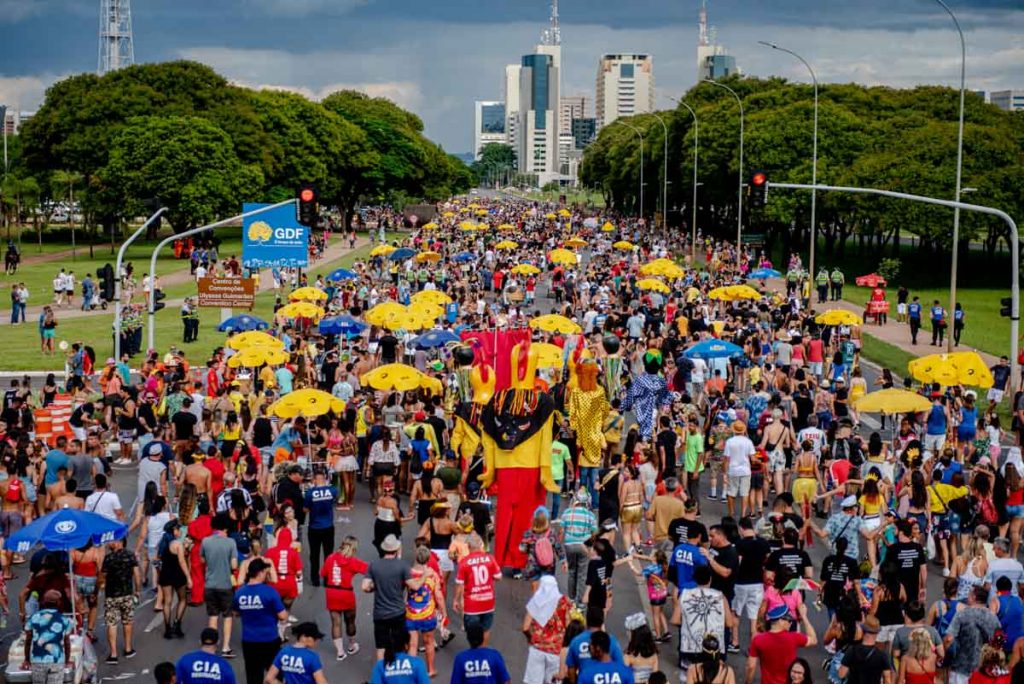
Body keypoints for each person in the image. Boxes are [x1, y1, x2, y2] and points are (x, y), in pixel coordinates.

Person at [233, 558, 288, 684]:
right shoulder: (270, 592)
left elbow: (236, 613)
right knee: (274, 674)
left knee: (253, 675)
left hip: (249, 641)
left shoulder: (240, 593)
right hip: (270, 639)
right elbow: (283, 616)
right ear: (260, 573)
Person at [363, 534, 414, 661]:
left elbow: (365, 587)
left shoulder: (374, 565)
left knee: (381, 646)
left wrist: (377, 586)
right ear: (396, 550)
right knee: (400, 644)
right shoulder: (403, 565)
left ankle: (381, 673)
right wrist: (425, 576)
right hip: (398, 612)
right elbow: (414, 586)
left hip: (380, 613)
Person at [320, 535, 368, 661]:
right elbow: (369, 569)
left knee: (336, 623)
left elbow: (322, 573)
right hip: (346, 594)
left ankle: (340, 652)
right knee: (350, 621)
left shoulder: (330, 558)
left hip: (331, 592)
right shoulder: (352, 561)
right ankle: (352, 645)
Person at [746, 603, 818, 684]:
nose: (791, 623)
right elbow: (814, 640)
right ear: (781, 621)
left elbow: (751, 667)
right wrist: (804, 616)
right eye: (789, 620)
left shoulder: (757, 640)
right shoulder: (794, 637)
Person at [945, 585, 1002, 684]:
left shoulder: (962, 614)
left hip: (960, 668)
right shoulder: (993, 618)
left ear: (974, 597)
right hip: (983, 671)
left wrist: (943, 655)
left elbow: (949, 639)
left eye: (969, 594)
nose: (967, 597)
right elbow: (1000, 642)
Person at [522, 575, 573, 684]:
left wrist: (530, 639)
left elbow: (525, 627)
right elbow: (569, 626)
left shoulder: (535, 601)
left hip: (537, 648)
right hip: (556, 650)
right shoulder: (564, 602)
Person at [452, 533, 501, 645]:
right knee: (486, 629)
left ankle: (474, 653)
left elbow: (459, 584)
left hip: (472, 603)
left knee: (472, 632)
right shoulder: (490, 558)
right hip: (488, 601)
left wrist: (455, 599)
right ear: (480, 544)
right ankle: (483, 651)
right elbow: (498, 577)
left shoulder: (464, 562)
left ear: (468, 546)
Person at [201, 514, 238, 658]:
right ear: (225, 528)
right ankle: (225, 647)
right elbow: (234, 565)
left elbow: (202, 559)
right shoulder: (230, 542)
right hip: (225, 585)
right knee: (227, 616)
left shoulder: (206, 541)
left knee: (213, 616)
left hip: (210, 584)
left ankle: (211, 646)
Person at [100, 536, 140, 665]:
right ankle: (128, 648)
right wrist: (137, 591)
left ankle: (113, 654)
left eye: (112, 541)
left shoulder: (108, 558)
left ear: (118, 542)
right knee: (127, 621)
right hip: (127, 594)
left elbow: (102, 577)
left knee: (112, 623)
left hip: (111, 596)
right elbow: (137, 575)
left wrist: (98, 588)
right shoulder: (130, 555)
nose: (109, 543)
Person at [22, 590, 73, 684]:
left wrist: (27, 659)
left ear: (43, 602)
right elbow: (67, 642)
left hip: (37, 661)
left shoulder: (34, 617)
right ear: (59, 603)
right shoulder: (65, 620)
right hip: (57, 661)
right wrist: (67, 660)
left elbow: (28, 640)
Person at [304, 467, 337, 587]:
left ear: (314, 480)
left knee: (314, 554)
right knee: (328, 554)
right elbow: (334, 501)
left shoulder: (310, 493)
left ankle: (315, 580)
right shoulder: (332, 490)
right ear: (325, 479)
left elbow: (306, 509)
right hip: (328, 526)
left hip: (314, 527)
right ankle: (328, 579)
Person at [265, 622, 329, 684]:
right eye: (314, 638)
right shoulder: (312, 657)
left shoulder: (284, 652)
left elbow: (269, 678)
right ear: (304, 637)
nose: (316, 641)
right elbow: (321, 682)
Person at [837, 615, 891, 684]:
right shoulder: (882, 655)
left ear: (863, 630)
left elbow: (841, 674)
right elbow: (887, 679)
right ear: (877, 632)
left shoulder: (852, 650)